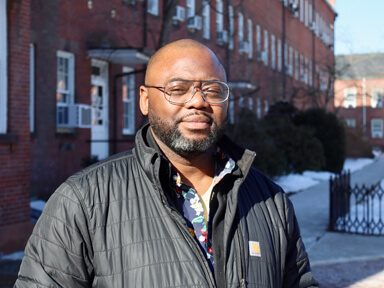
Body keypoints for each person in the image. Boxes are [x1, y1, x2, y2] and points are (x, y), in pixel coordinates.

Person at [15, 39, 318, 287]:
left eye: (212, 90)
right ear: (145, 100)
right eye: (178, 89)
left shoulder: (270, 201)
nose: (198, 101)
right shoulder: (83, 201)